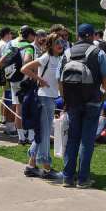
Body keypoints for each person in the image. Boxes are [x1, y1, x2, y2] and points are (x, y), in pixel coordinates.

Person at [58, 23, 106, 189]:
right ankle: (83, 179)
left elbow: (59, 79)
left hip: (72, 101)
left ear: (78, 36)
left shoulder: (66, 53)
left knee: (73, 139)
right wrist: (104, 94)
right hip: (92, 100)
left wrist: (65, 98)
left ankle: (67, 177)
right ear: (90, 35)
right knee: (87, 141)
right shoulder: (98, 53)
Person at [21, 32, 65, 180]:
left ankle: (31, 166)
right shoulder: (46, 58)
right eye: (57, 42)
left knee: (42, 133)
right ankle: (46, 168)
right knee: (45, 134)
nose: (60, 45)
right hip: (44, 99)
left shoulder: (58, 59)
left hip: (50, 98)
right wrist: (39, 79)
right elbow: (24, 68)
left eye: (62, 42)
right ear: (50, 45)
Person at [1, 25, 36, 144]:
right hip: (26, 80)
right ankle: (31, 136)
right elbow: (27, 61)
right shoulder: (29, 47)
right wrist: (31, 73)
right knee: (30, 107)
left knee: (18, 107)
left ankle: (21, 137)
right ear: (30, 35)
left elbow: (2, 61)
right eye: (33, 35)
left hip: (14, 80)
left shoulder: (12, 46)